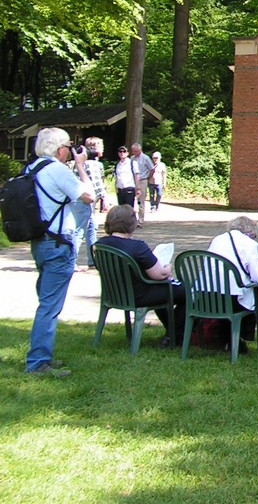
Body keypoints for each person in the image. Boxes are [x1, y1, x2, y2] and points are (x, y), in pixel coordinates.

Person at [25, 127, 96, 377]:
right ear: (59, 149)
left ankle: (41, 356)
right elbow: (89, 195)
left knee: (46, 301)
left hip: (40, 242)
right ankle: (38, 362)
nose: (69, 151)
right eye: (67, 147)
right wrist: (80, 166)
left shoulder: (31, 169)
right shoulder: (56, 169)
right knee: (49, 305)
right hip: (58, 244)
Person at [100, 204, 185, 346]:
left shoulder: (100, 244)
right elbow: (159, 275)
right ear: (131, 224)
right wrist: (168, 267)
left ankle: (172, 332)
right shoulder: (137, 246)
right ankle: (173, 334)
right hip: (140, 295)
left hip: (114, 295)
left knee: (167, 291)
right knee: (187, 291)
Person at [206, 216, 258, 351]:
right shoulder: (250, 244)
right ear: (249, 231)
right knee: (253, 300)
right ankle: (239, 340)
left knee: (236, 294)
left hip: (207, 297)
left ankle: (225, 339)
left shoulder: (217, 239)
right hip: (232, 300)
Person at [82, 136, 108, 269]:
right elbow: (97, 184)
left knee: (91, 227)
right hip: (86, 201)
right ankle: (89, 259)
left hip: (86, 200)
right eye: (101, 146)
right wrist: (105, 198)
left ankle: (92, 259)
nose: (103, 149)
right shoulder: (92, 163)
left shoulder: (85, 162)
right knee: (85, 228)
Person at [130, 143, 154, 224]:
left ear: (140, 150)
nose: (135, 153)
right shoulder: (132, 158)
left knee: (141, 200)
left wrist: (148, 178)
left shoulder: (145, 158)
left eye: (136, 151)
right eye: (133, 151)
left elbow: (152, 169)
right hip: (133, 180)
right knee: (131, 199)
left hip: (143, 180)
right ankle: (131, 219)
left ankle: (140, 220)